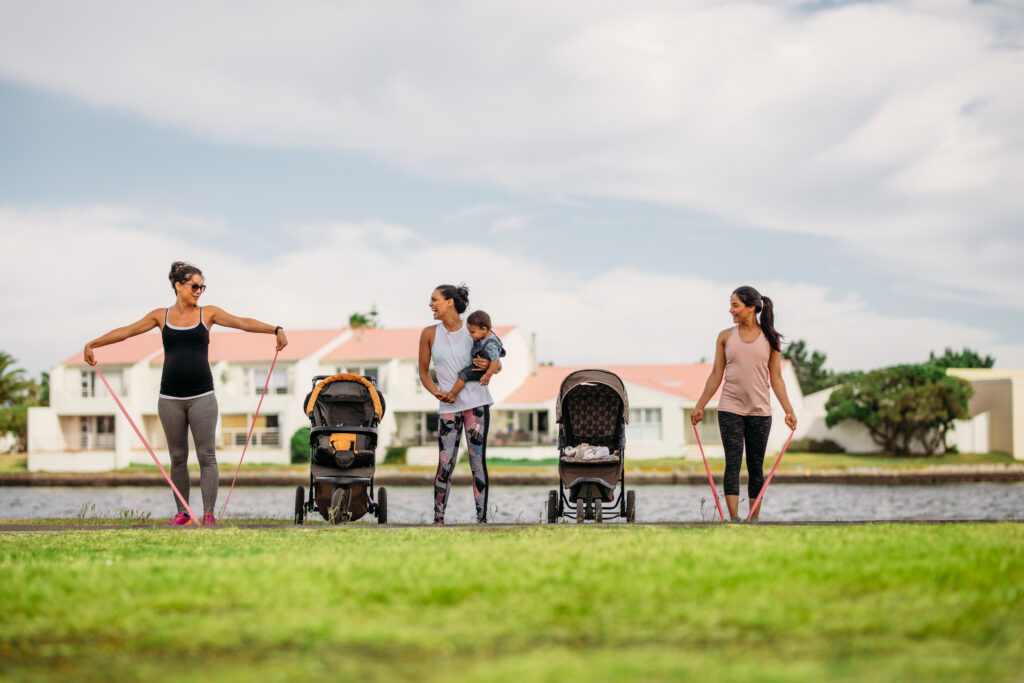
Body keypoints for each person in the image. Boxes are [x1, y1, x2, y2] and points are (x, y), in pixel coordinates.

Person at [83, 261, 287, 526]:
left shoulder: (208, 314)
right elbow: (127, 332)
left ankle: (209, 514)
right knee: (178, 458)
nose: (199, 291)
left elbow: (242, 323)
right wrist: (92, 344)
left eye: (202, 286)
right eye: (194, 286)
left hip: (202, 396)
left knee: (207, 456)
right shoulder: (161, 316)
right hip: (169, 399)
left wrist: (275, 329)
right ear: (178, 286)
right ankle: (183, 513)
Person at [691, 285, 797, 522]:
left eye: (735, 305)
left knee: (756, 466)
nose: (731, 310)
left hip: (760, 411)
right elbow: (716, 375)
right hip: (730, 408)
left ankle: (754, 520)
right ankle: (735, 520)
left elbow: (777, 379)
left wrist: (789, 410)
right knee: (733, 463)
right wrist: (699, 405)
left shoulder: (770, 339)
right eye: (731, 305)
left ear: (752, 307)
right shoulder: (725, 337)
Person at [418, 285, 500, 524]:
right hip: (448, 408)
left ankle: (482, 520)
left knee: (477, 462)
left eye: (435, 300)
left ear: (450, 302)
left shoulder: (473, 329)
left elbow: (497, 362)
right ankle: (438, 519)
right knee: (445, 463)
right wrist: (437, 393)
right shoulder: (429, 334)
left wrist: (488, 367)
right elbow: (423, 372)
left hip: (476, 406)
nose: (431, 304)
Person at [444, 310, 505, 402]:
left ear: (484, 329)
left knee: (463, 375)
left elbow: (495, 361)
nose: (470, 335)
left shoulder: (490, 345)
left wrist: (488, 375)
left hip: (481, 369)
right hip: (481, 362)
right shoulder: (483, 334)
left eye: (472, 332)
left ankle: (452, 394)